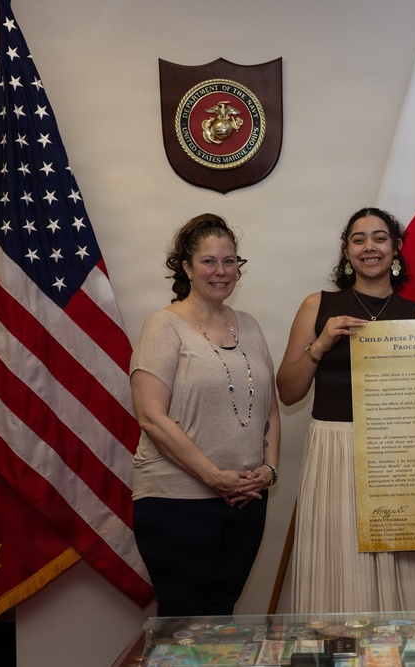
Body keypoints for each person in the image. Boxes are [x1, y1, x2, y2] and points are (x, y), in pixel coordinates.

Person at [277, 207, 415, 613]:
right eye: (358, 239)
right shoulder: (317, 305)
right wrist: (319, 346)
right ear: (345, 250)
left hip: (399, 460)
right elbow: (287, 392)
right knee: (338, 573)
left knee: (405, 580)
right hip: (334, 453)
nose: (369, 246)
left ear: (396, 248)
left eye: (380, 237)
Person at [130, 213, 280, 617]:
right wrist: (214, 478)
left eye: (229, 261)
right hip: (176, 501)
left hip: (245, 500)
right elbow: (151, 417)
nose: (221, 271)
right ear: (186, 267)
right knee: (183, 621)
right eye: (209, 261)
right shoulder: (164, 325)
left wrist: (270, 469)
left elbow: (271, 410)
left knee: (221, 621)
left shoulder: (249, 326)